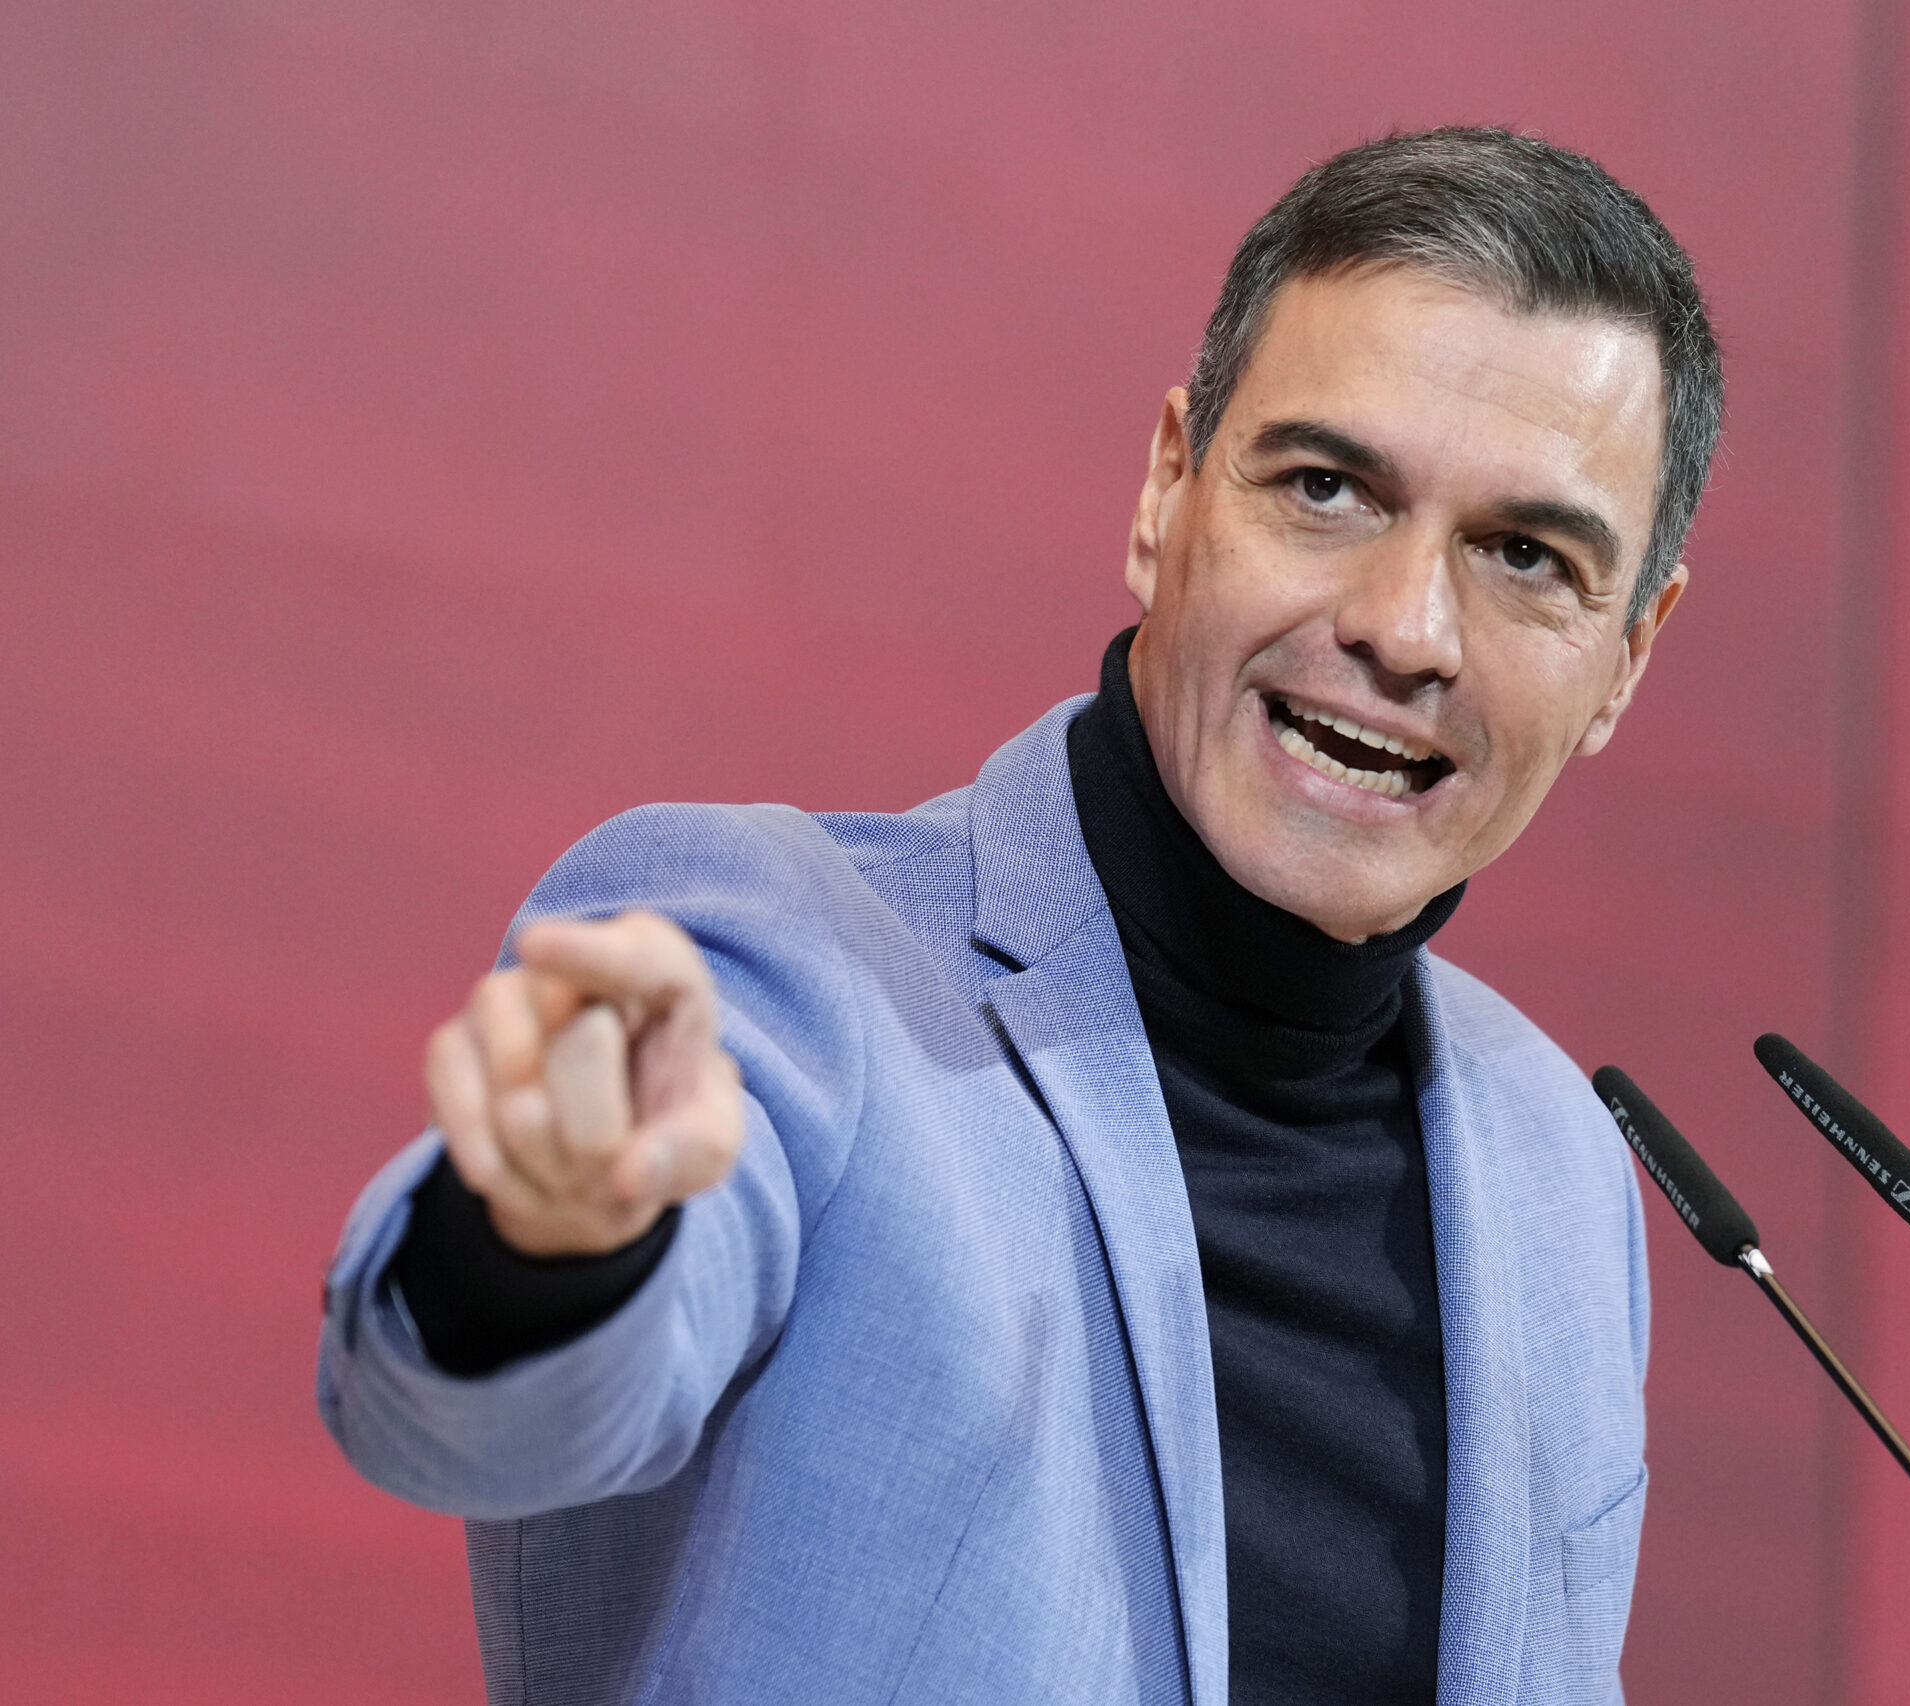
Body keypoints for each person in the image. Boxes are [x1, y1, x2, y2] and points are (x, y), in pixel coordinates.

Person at [318, 126, 1722, 1706]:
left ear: (1627, 655)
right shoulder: (788, 965)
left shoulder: (1561, 1169)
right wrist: (544, 1239)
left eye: (1525, 555)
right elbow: (474, 1417)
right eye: (1326, 488)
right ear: (1167, 488)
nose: (1406, 629)